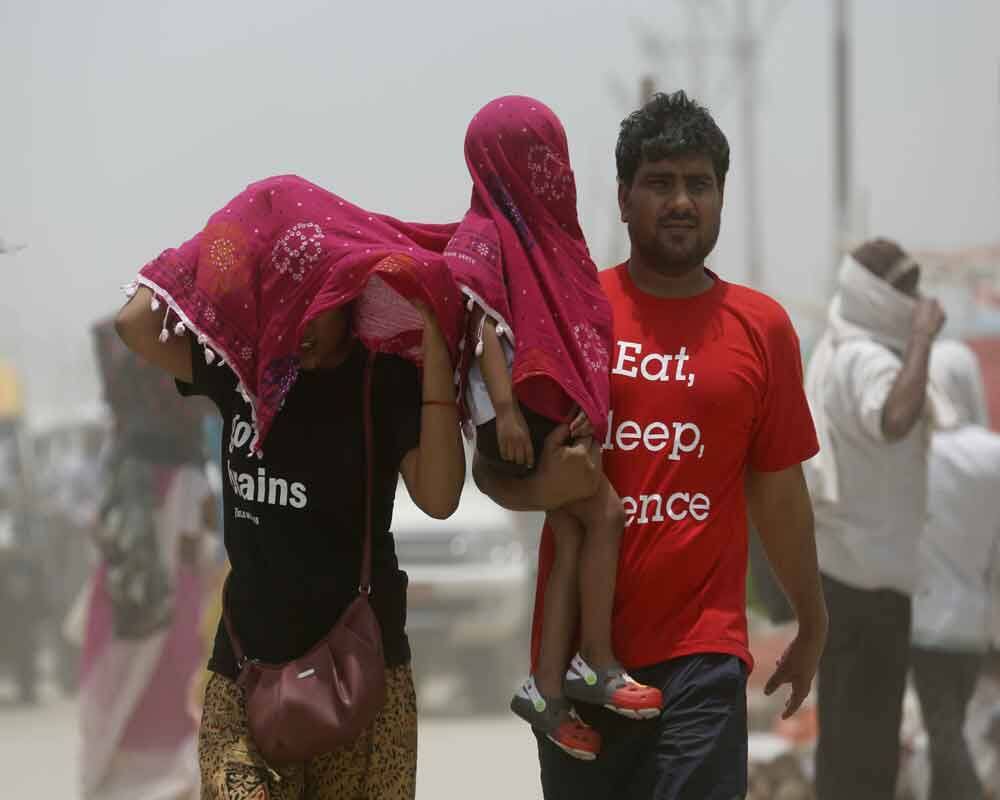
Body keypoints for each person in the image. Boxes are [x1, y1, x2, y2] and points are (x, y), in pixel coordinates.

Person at [475, 90, 827, 799]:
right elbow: (494, 469)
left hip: (703, 652)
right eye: (660, 182)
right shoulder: (571, 315)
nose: (681, 202)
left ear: (722, 196)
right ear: (624, 196)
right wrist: (552, 488)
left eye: (699, 184)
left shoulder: (764, 330)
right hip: (577, 666)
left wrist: (812, 617)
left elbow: (778, 490)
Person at [114, 174, 466, 800]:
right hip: (245, 670)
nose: (297, 318)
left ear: (346, 292)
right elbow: (134, 323)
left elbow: (439, 499)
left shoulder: (380, 381)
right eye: (281, 294)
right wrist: (243, 226)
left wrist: (434, 347)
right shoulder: (242, 368)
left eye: (313, 298)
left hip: (359, 677)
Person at [447, 96, 662, 760]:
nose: (549, 171)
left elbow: (572, 325)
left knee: (575, 531)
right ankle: (593, 661)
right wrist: (507, 411)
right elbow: (481, 322)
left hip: (541, 416)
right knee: (606, 515)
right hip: (515, 422)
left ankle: (547, 689)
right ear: (505, 161)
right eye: (535, 156)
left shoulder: (546, 236)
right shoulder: (489, 233)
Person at [804, 238, 950, 800]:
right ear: (880, 296)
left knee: (848, 739)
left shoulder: (846, 348)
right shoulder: (867, 358)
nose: (918, 301)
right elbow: (894, 417)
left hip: (851, 575)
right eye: (907, 291)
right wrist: (921, 339)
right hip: (866, 584)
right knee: (866, 748)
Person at [80, 319, 216, 800]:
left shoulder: (122, 468)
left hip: (124, 607)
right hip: (166, 612)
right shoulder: (182, 476)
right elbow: (197, 550)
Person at [911, 339, 1000, 800]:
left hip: (920, 621)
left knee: (943, 730)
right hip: (976, 626)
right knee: (956, 729)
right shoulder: (991, 456)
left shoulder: (913, 453)